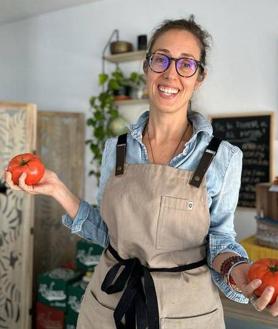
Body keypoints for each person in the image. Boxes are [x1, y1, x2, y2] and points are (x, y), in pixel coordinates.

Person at [3, 15, 278, 329]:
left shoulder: (224, 157)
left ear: (199, 77)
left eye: (186, 64)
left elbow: (220, 240)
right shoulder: (117, 148)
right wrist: (56, 189)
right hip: (107, 309)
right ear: (147, 68)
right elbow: (109, 233)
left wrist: (237, 270)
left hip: (185, 315)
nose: (171, 73)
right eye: (161, 59)